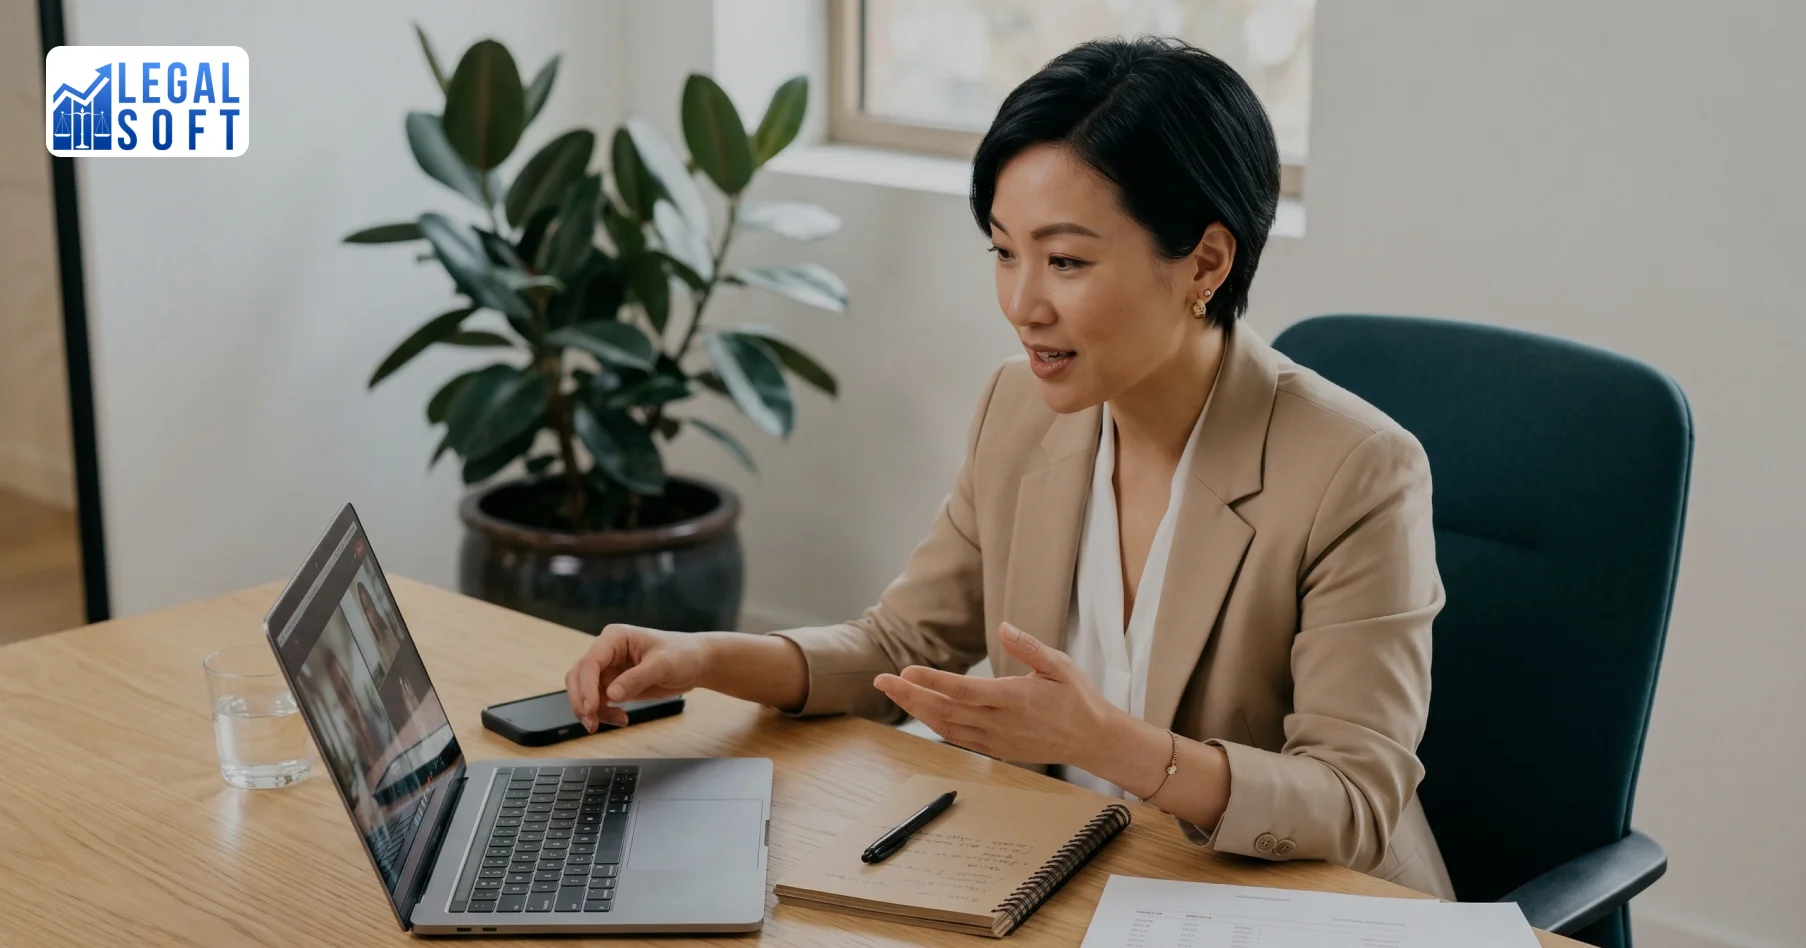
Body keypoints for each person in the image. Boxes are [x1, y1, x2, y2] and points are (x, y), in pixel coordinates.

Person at [566, 36, 1453, 898]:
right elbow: (902, 645)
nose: (1023, 304)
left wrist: (1115, 746)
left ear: (1205, 263)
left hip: (1296, 908)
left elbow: (1353, 798)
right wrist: (706, 657)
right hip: (1074, 879)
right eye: (1003, 250)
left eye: (1066, 260)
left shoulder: (1359, 470)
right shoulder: (1018, 409)